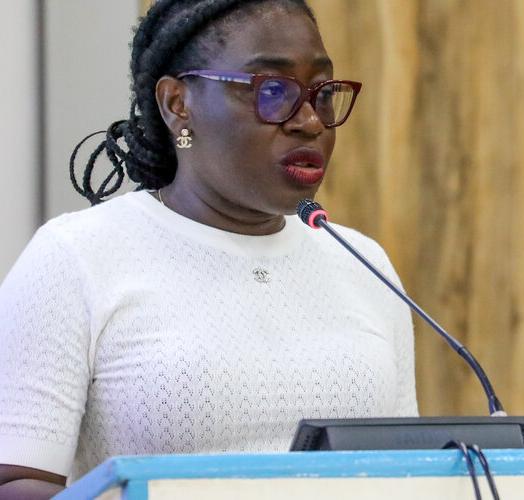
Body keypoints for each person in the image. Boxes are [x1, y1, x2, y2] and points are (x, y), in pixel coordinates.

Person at [0, 1, 417, 497]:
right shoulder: (77, 257)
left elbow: (406, 474)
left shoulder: (361, 262)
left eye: (322, 93)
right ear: (179, 103)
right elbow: (19, 481)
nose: (310, 122)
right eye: (273, 90)